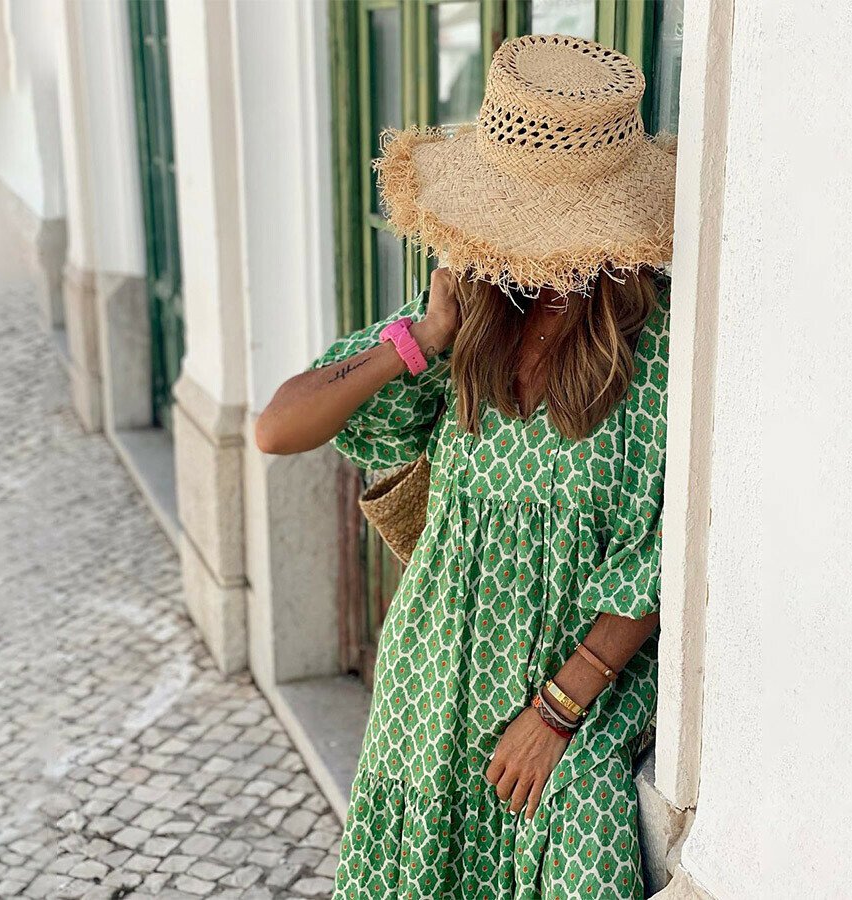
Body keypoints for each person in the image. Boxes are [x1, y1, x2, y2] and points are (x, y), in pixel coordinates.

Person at [257, 33, 676, 900]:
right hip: (432, 675)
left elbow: (657, 552)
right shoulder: (470, 315)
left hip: (574, 690)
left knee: (578, 847)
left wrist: (559, 711)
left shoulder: (655, 346)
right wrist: (418, 342)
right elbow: (277, 428)